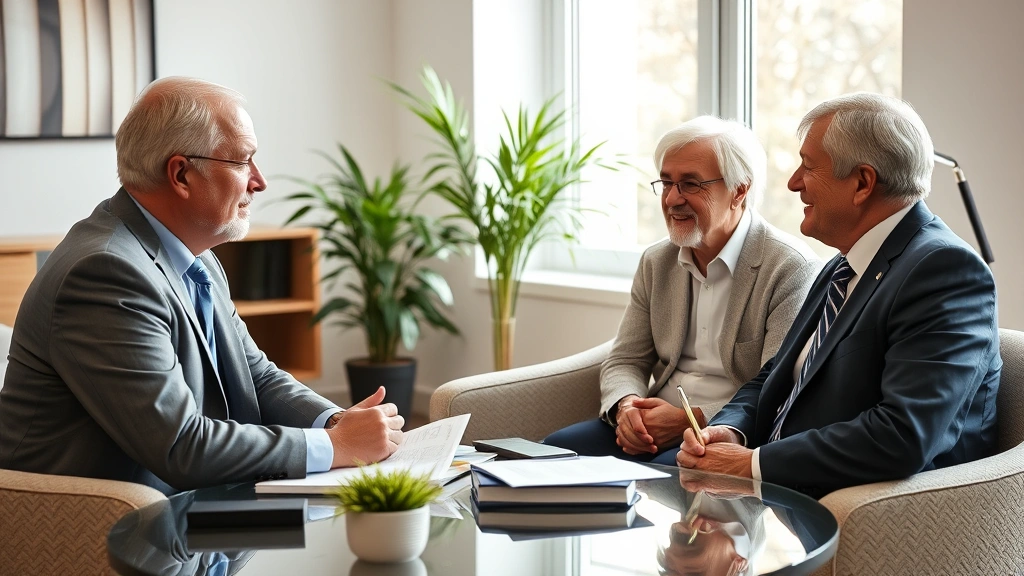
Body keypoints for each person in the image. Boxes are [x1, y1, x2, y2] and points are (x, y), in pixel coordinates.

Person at [0, 77, 404, 493]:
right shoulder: (105, 273)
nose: (259, 181)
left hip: (178, 518)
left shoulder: (199, 257)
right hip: (92, 532)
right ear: (181, 174)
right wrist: (333, 445)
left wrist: (336, 423)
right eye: (244, 161)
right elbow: (181, 445)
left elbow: (256, 376)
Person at [676, 93, 1001, 498]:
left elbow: (902, 435)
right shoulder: (845, 261)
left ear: (862, 183)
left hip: (862, 507)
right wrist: (731, 428)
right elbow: (777, 375)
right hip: (782, 484)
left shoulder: (945, 271)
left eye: (808, 167)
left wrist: (753, 465)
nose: (793, 182)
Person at [544, 116, 821, 462]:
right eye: (666, 182)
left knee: (668, 475)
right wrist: (627, 408)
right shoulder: (656, 261)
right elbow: (626, 359)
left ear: (739, 190)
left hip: (724, 430)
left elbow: (778, 387)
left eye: (691, 184)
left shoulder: (790, 267)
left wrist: (689, 420)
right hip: (651, 421)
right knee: (553, 453)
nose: (672, 199)